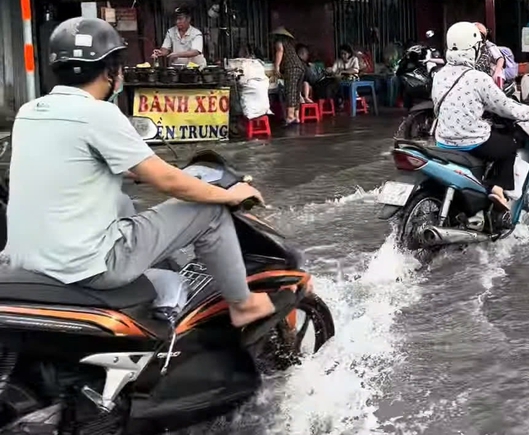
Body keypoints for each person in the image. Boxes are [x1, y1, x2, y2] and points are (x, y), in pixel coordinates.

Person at [4, 17, 292, 341]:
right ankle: (243, 304)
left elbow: (70, 164)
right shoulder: (100, 114)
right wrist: (231, 195)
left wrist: (131, 170)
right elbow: (170, 182)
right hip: (93, 268)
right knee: (209, 211)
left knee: (124, 202)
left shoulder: (29, 112)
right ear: (109, 71)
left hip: (24, 259)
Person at [432, 22, 529, 210]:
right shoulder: (478, 78)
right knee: (510, 145)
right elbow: (506, 108)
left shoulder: (439, 75)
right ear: (473, 49)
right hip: (470, 141)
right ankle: (498, 190)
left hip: (442, 141)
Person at [272, 27, 304, 126]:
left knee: (290, 91)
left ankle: (290, 116)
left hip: (291, 68)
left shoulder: (279, 42)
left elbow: (280, 51)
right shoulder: (289, 44)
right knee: (296, 92)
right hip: (300, 67)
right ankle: (296, 116)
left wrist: (276, 67)